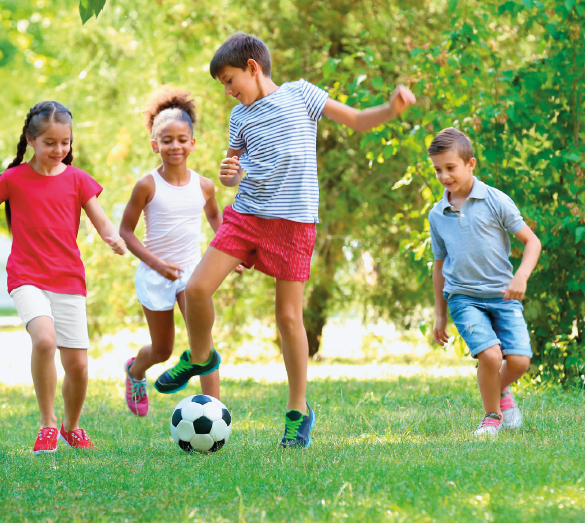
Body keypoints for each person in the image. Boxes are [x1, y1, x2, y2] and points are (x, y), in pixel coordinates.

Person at [154, 32, 416, 448]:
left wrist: (391, 108)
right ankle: (199, 357)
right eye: (222, 84)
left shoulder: (301, 95)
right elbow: (236, 169)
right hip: (246, 216)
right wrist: (230, 176)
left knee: (288, 318)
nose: (227, 91)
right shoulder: (239, 117)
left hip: (294, 223)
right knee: (197, 289)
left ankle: (298, 412)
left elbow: (356, 120)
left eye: (229, 80)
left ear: (253, 68)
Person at [0, 101, 127, 454]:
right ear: (31, 140)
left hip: (68, 279)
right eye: (50, 143)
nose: (59, 150)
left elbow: (100, 219)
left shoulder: (78, 179)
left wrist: (112, 237)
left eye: (65, 142)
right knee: (44, 340)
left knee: (77, 366)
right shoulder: (12, 179)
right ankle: (46, 424)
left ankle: (70, 426)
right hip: (26, 275)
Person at [119, 86, 240, 416]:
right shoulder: (147, 185)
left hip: (192, 274)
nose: (175, 146)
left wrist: (230, 251)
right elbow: (126, 233)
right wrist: (157, 264)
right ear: (154, 144)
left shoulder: (204, 185)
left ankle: (214, 412)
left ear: (192, 143)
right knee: (162, 350)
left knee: (203, 345)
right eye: (167, 140)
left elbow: (216, 217)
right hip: (154, 274)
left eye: (182, 139)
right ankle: (135, 371)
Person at [428, 127, 542, 436]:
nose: (444, 175)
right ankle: (492, 416)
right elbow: (439, 265)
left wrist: (521, 276)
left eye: (450, 167)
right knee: (490, 355)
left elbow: (532, 242)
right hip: (463, 296)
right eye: (438, 169)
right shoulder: (437, 214)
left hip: (503, 294)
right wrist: (440, 314)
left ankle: (499, 391)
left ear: (470, 164)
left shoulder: (495, 200)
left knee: (519, 361)